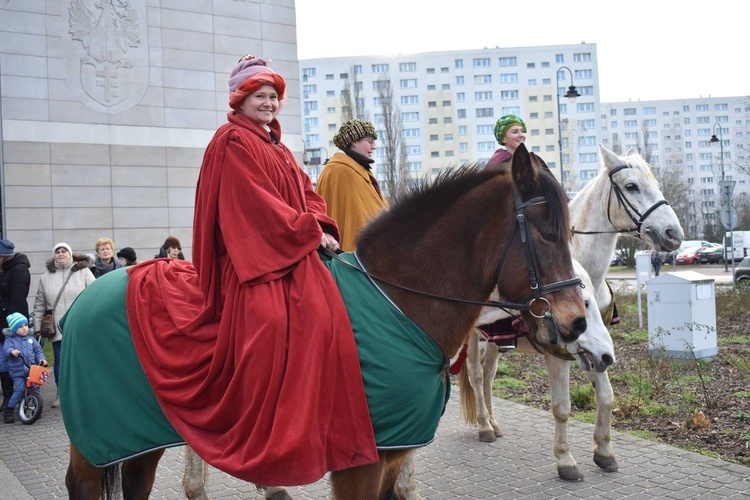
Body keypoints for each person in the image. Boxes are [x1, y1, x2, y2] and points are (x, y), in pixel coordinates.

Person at [120, 55, 377, 484]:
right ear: (240, 99)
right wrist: (305, 230)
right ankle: (268, 433)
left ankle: (323, 425)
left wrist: (321, 225)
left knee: (330, 312)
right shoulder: (231, 141)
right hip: (253, 259)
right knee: (273, 323)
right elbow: (254, 205)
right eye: (261, 95)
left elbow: (307, 193)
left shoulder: (278, 146)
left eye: (274, 96)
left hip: (291, 249)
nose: (270, 103)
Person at [32, 243, 94, 407]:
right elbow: (40, 303)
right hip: (57, 326)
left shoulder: (83, 272)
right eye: (57, 252)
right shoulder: (45, 277)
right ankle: (62, 393)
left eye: (64, 251)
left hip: (80, 324)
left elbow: (95, 295)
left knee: (82, 359)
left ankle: (85, 392)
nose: (60, 254)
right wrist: (37, 326)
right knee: (60, 360)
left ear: (70, 254)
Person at [315, 119, 388, 251]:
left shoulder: (360, 170)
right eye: (370, 142)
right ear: (354, 142)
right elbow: (351, 217)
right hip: (355, 255)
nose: (373, 147)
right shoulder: (339, 170)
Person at [0, 239, 31, 411]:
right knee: (4, 363)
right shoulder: (5, 270)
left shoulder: (19, 270)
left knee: (14, 363)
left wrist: (9, 329)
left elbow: (17, 302)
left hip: (12, 326)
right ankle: (8, 399)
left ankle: (16, 400)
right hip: (3, 324)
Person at [3, 313, 47, 423]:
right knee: (20, 389)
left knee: (35, 388)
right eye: (20, 326)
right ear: (13, 329)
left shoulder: (31, 339)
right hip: (17, 370)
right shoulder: (10, 339)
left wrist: (42, 359)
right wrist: (12, 352)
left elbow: (38, 351)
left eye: (26, 325)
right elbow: (7, 349)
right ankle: (9, 410)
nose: (24, 328)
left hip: (31, 369)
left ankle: (35, 409)